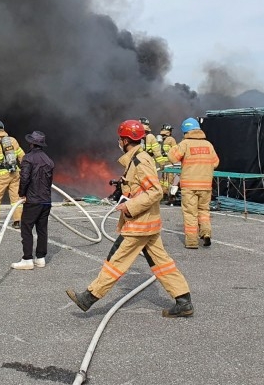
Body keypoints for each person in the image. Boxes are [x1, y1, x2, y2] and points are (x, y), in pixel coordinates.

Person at [65, 119, 193, 317]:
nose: (119, 142)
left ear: (125, 140)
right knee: (162, 263)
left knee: (115, 262)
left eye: (120, 139)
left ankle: (88, 298)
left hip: (139, 225)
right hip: (148, 224)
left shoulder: (140, 161)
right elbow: (138, 186)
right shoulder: (136, 159)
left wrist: (129, 206)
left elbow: (155, 191)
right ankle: (183, 301)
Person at [168, 117, 220, 248]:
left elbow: (172, 157)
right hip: (206, 185)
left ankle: (191, 241)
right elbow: (215, 163)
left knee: (190, 213)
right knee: (203, 211)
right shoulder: (208, 145)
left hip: (189, 186)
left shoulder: (185, 144)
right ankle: (206, 233)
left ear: (185, 132)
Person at [11, 130, 54, 270]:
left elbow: (24, 178)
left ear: (31, 143)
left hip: (33, 200)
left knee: (26, 227)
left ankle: (27, 259)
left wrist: (22, 194)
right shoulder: (49, 160)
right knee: (42, 229)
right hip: (46, 200)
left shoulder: (28, 158)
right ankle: (40, 258)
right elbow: (49, 182)